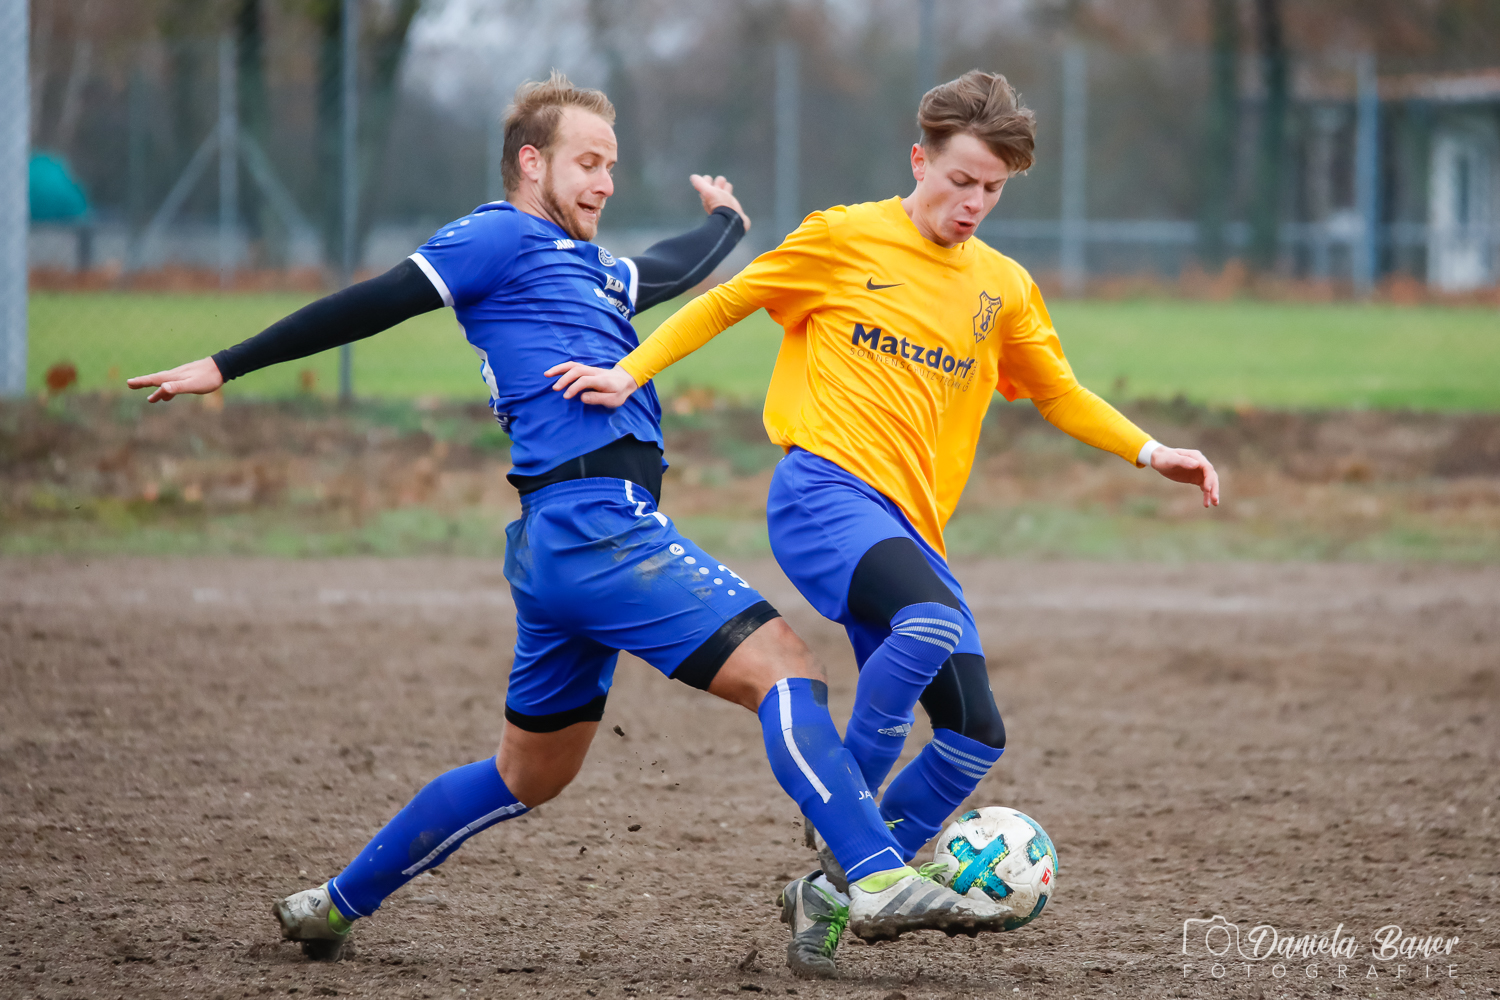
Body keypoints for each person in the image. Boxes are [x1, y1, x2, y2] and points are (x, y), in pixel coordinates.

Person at [126, 71, 1017, 976]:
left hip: (562, 547)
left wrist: (725, 224)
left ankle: (333, 905)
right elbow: (378, 299)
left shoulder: (588, 268)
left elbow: (667, 271)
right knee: (784, 671)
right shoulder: (497, 235)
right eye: (587, 163)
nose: (603, 182)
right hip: (603, 529)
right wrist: (226, 364)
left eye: (612, 166)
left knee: (528, 775)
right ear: (529, 162)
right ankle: (869, 875)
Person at [547, 69, 1222, 976]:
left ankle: (828, 886)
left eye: (992, 188)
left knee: (977, 733)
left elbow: (1056, 391)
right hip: (824, 496)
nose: (974, 202)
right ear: (920, 158)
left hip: (910, 532)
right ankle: (850, 816)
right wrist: (629, 373)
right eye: (961, 180)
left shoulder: (1003, 287)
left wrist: (1152, 451)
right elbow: (727, 299)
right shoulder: (842, 236)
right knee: (930, 623)